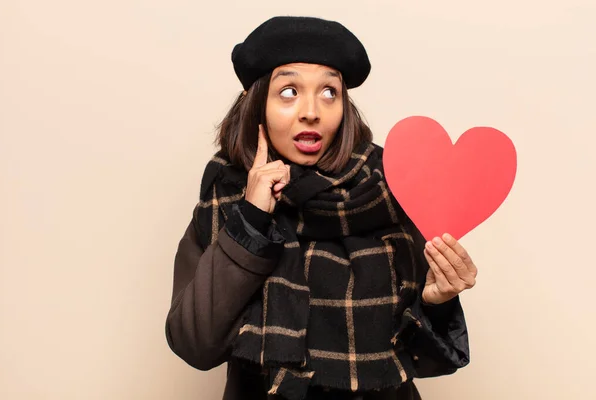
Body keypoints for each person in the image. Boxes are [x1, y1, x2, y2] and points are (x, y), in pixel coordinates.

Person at [165, 16, 476, 400]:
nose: (311, 111)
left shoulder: (389, 192)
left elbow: (425, 363)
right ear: (256, 104)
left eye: (329, 92)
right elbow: (195, 345)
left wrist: (437, 303)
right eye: (289, 91)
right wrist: (252, 219)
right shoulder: (227, 197)